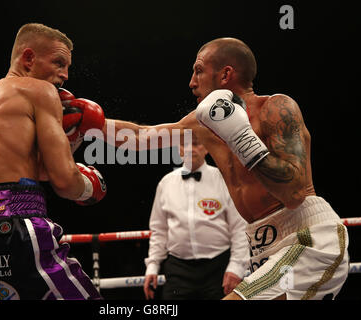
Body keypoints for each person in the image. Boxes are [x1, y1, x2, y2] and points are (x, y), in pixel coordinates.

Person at [103, 37, 349, 300]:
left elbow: (294, 193)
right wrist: (88, 120)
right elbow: (141, 138)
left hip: (307, 239)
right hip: (264, 248)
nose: (191, 82)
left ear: (225, 74)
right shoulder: (201, 123)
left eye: (198, 70)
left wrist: (241, 138)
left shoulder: (276, 108)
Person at [0, 23, 106, 300]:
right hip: (14, 227)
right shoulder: (39, 91)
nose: (65, 75)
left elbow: (21, 169)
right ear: (28, 58)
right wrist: (90, 186)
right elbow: (64, 182)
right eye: (58, 63)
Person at [143, 137, 248, 300]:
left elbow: (239, 227)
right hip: (178, 268)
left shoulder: (223, 179)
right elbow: (159, 230)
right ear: (179, 149)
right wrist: (152, 266)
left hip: (218, 267)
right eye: (185, 144)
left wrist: (236, 266)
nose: (191, 149)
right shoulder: (166, 183)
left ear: (206, 148)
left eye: (196, 144)